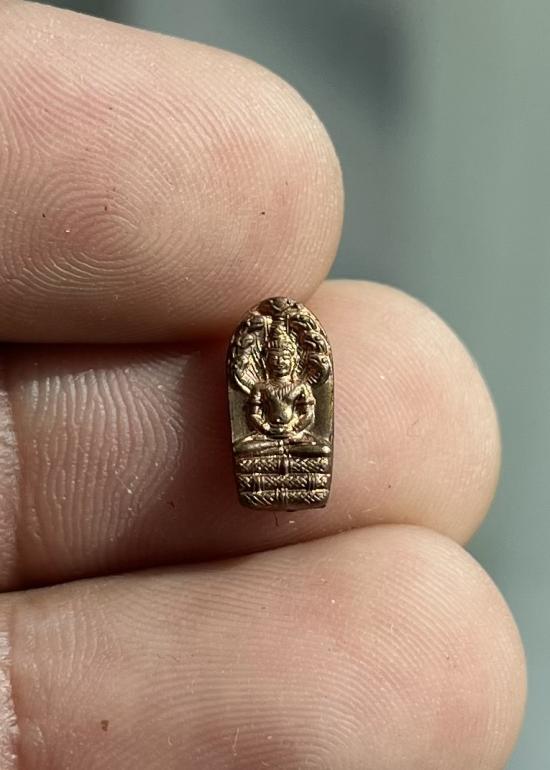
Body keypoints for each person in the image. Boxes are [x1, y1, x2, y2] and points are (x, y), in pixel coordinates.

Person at [0, 3, 525, 769]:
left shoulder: (295, 370)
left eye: (285, 352)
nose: (279, 356)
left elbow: (298, 401)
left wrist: (285, 395)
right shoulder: (259, 360)